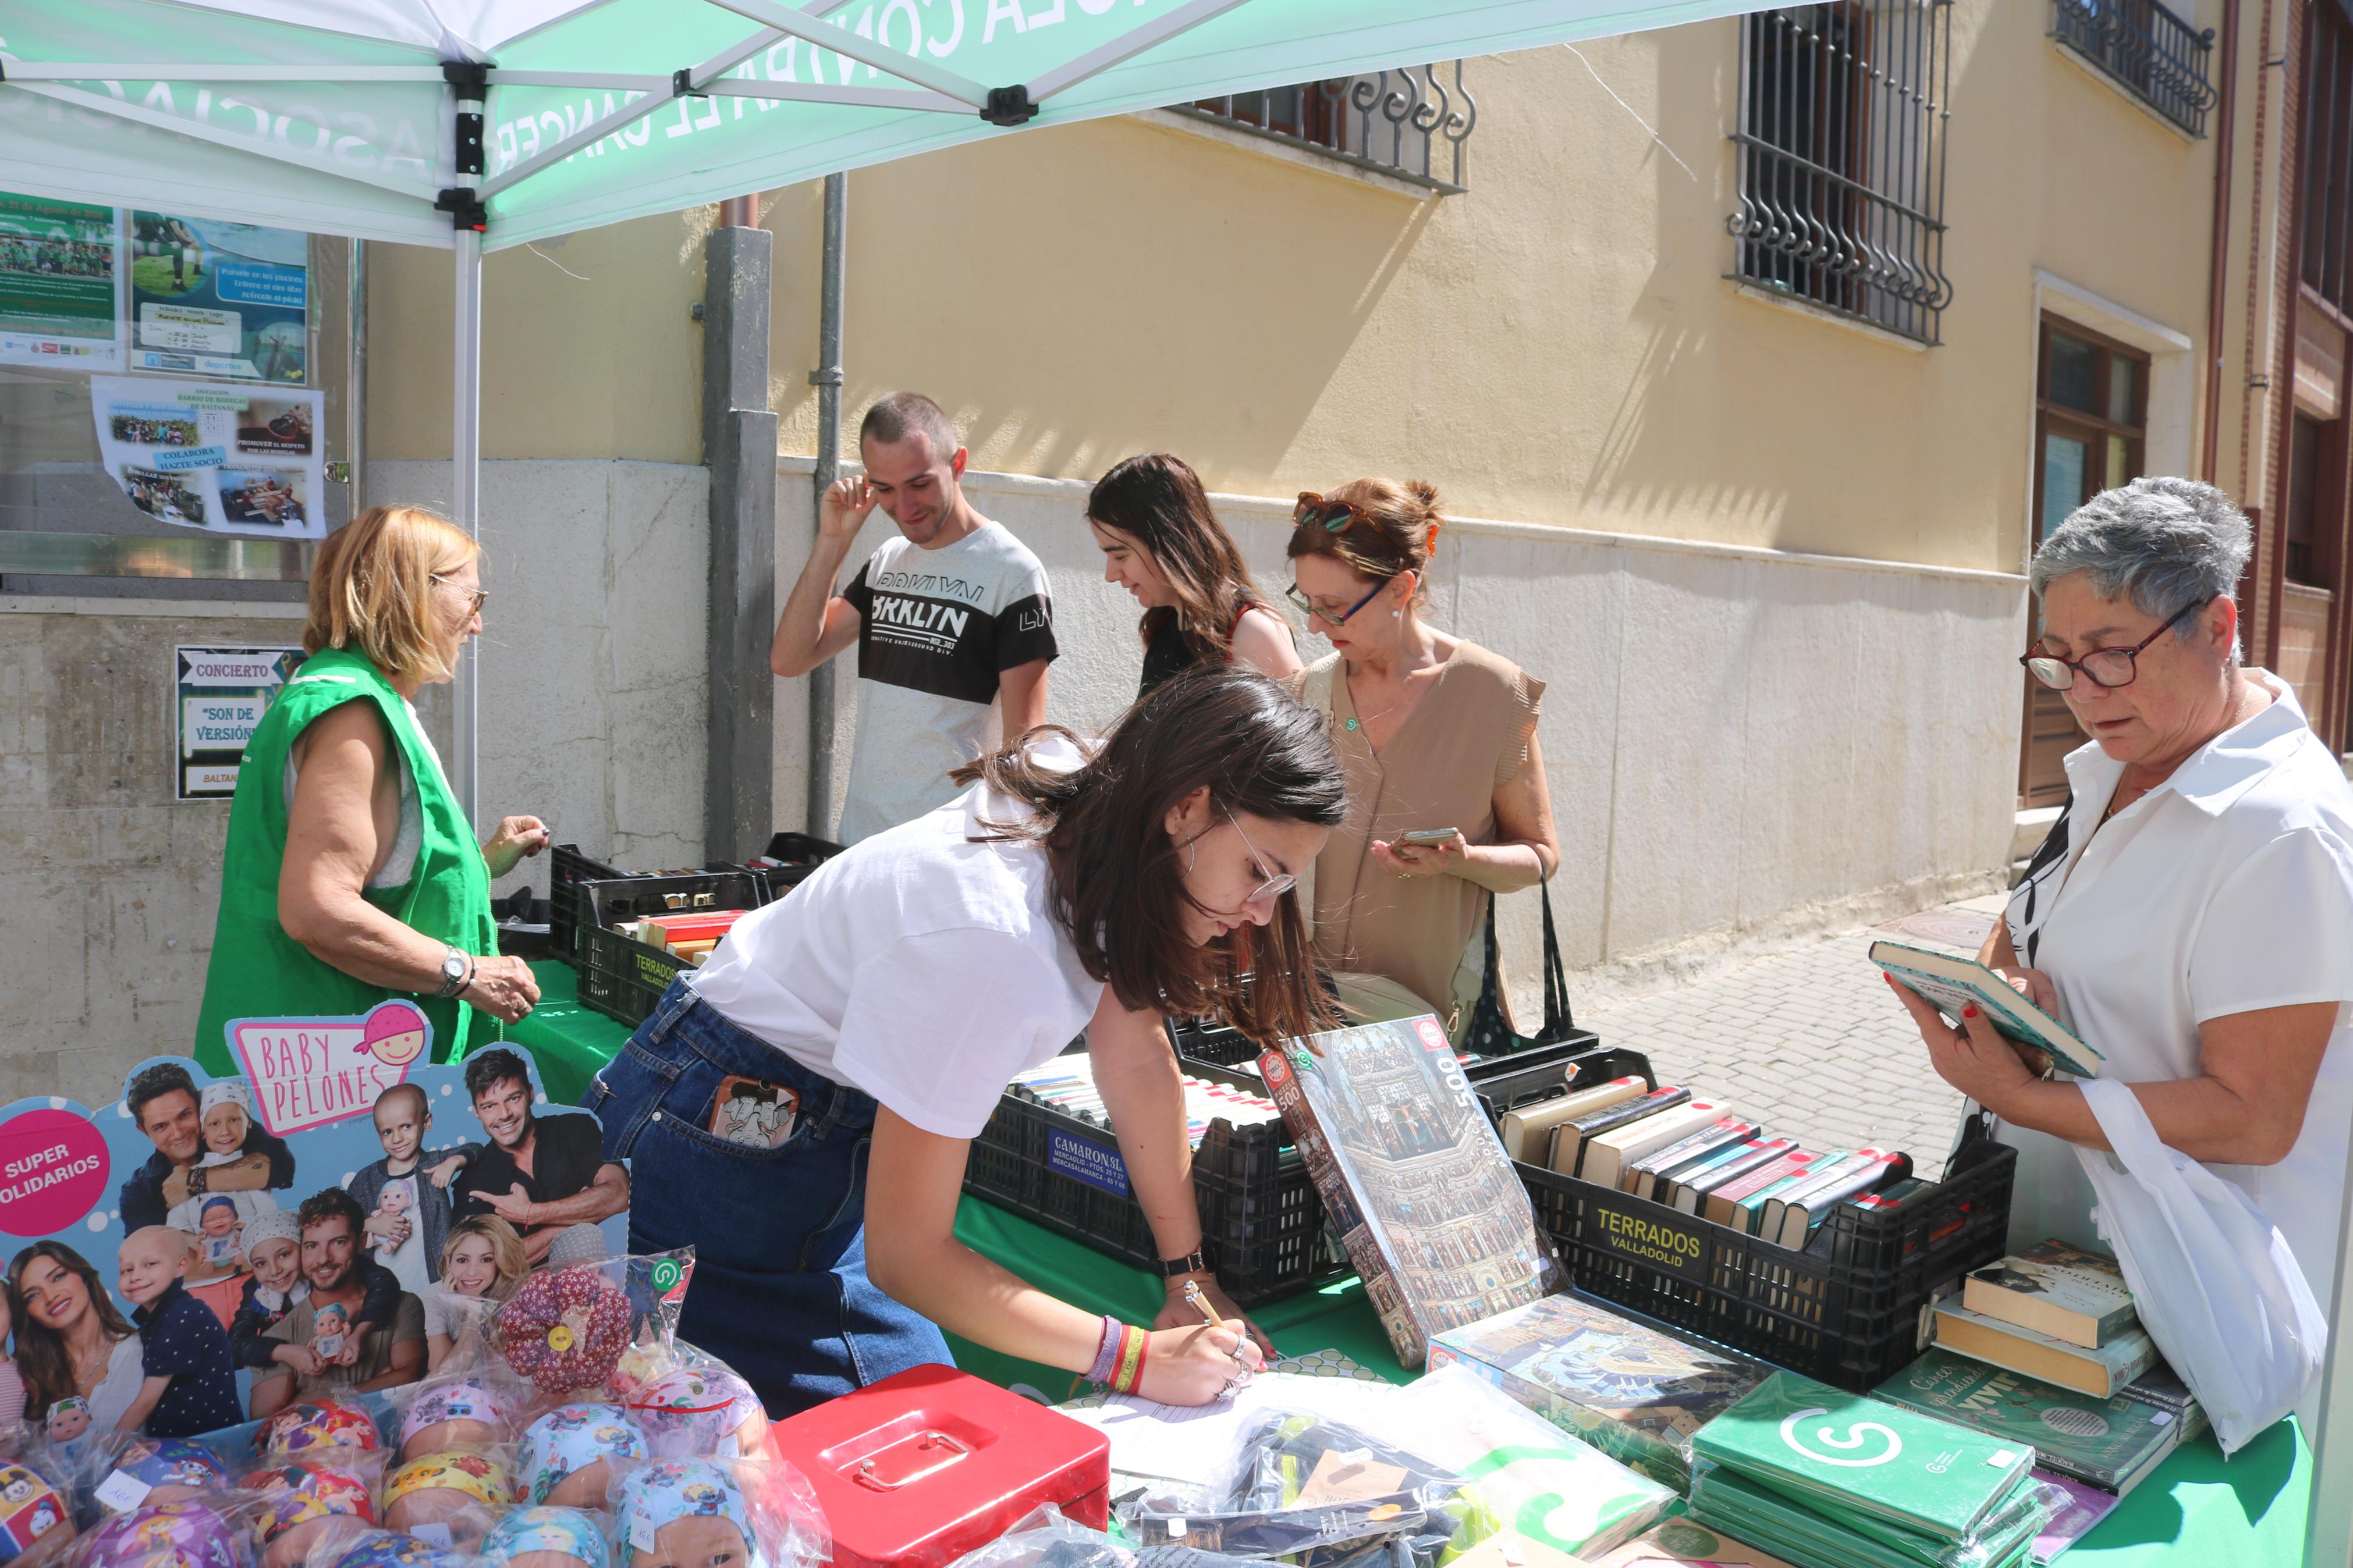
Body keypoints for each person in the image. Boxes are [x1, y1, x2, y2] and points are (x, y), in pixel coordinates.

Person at [585, 666, 1344, 1414]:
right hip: (713, 1147)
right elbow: (908, 1256)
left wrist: (1186, 1274)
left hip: (775, 1118)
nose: (1258, 912)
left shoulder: (1102, 800)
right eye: (1260, 872)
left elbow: (1136, 1051)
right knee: (813, 1458)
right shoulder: (992, 941)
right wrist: (1135, 1356)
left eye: (1280, 888)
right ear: (1186, 807)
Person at [1889, 477, 2353, 1424]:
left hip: (2200, 1303)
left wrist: (2024, 1097)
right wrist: (2006, 983)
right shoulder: (2120, 763)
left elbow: (2253, 1118)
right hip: (2068, 1265)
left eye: (2110, 655)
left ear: (2217, 627)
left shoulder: (2283, 832)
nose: (2081, 694)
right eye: (2056, 661)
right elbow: (2028, 920)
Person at [189, 505, 549, 1075]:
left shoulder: (342, 694)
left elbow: (375, 872)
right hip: (334, 1088)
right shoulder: (352, 713)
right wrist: (468, 972)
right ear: (411, 592)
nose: (477, 623)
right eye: (471, 599)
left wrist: (476, 866)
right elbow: (320, 911)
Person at [1281, 480, 1560, 1040]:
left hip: (1438, 1026)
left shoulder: (1493, 693)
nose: (1314, 625)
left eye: (1334, 607)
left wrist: (1460, 860)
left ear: (1400, 588)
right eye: (1306, 602)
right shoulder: (1304, 693)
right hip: (1309, 1015)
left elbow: (1540, 856)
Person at [768, 392, 1059, 844]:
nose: (903, 508)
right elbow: (789, 659)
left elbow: (1025, 745)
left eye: (919, 484)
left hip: (944, 850)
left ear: (957, 464)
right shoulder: (889, 560)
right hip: (862, 842)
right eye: (884, 489)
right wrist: (833, 541)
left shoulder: (1013, 572)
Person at [1087, 453, 1301, 697]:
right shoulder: (1160, 625)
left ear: (1171, 542)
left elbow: (1303, 732)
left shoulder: (1254, 630)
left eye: (1121, 556)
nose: (1111, 575)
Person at [251, 1190, 426, 1417]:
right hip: (320, 1451)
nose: (323, 1258)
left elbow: (411, 1378)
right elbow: (267, 1423)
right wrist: (379, 1384)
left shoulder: (403, 1305)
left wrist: (312, 1400)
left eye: (338, 1242)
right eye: (312, 1246)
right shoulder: (277, 1338)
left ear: (361, 1242)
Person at [449, 1050, 629, 1268]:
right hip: (518, 1294)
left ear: (530, 1094)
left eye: (513, 1099)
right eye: (489, 1106)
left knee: (583, 1238)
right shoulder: (471, 1182)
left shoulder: (574, 1128)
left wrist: (530, 1213)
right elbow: (483, 1266)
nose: (504, 1114)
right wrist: (577, 1217)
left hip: (595, 1277)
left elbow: (619, 1193)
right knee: (582, 1231)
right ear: (477, 1112)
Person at [119, 1063, 293, 1236]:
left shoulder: (230, 1131)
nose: (178, 1133)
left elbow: (281, 1166)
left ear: (200, 1103)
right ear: (144, 1131)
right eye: (161, 1126)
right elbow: (147, 1252)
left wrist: (192, 1181)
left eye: (184, 1115)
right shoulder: (139, 1192)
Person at [347, 1083, 479, 1290]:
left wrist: (452, 1163)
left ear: (426, 1123)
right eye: (387, 1132)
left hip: (434, 1280)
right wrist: (370, 1225)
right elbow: (344, 1227)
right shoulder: (367, 1180)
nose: (397, 1138)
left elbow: (476, 1149)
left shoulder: (434, 1163)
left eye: (406, 1127)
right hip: (383, 1285)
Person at [115, 1228, 242, 1439]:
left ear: (180, 1267)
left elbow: (147, 1401)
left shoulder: (183, 1317)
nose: (135, 1276)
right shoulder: (157, 1320)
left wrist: (106, 1448)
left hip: (207, 1443)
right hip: (180, 1443)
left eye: (150, 1264)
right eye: (126, 1270)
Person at [9, 1242, 144, 1437]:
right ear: (27, 1312)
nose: (50, 1296)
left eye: (58, 1277)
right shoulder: (27, 1376)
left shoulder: (144, 1351)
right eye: (33, 1296)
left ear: (85, 1278)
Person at [423, 1215, 526, 1372]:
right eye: (463, 1260)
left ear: (501, 1262)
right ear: (448, 1262)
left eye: (486, 1260)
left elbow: (515, 1366)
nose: (472, 1272)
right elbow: (441, 1376)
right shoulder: (433, 1299)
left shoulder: (517, 1293)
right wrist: (472, 1317)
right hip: (456, 1394)